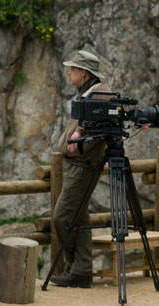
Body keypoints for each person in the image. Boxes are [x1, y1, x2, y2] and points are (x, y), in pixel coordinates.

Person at [51, 50, 111, 288]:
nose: (69, 72)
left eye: (73, 69)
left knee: (62, 217)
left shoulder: (100, 94)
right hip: (78, 164)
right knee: (79, 217)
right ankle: (81, 271)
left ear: (84, 73)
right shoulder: (90, 93)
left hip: (82, 165)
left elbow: (95, 129)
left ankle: (76, 269)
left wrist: (79, 144)